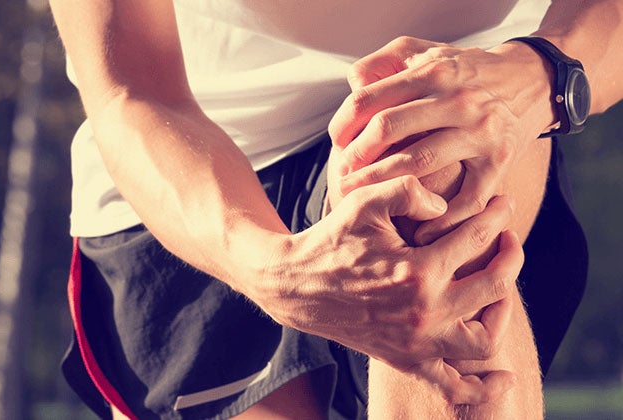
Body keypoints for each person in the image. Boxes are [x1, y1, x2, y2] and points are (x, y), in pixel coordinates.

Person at [50, 1, 623, 418]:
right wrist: (272, 272)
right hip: (200, 177)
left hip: (476, 103)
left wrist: (545, 72)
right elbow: (130, 89)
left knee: (422, 164)